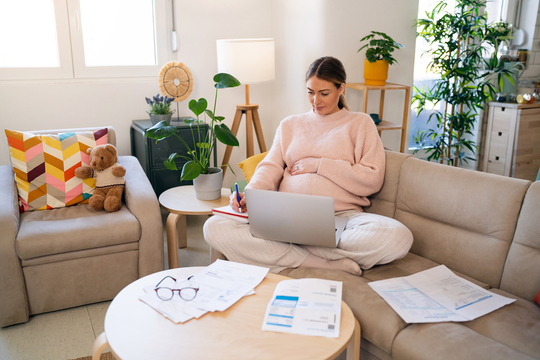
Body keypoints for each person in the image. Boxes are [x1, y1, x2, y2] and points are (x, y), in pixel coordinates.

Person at [204, 56, 413, 275]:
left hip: (341, 219)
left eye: (324, 93)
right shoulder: (290, 125)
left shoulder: (360, 124)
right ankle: (321, 261)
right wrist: (251, 195)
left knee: (398, 236)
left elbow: (372, 178)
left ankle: (290, 250)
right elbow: (270, 167)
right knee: (214, 227)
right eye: (310, 92)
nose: (316, 101)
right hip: (287, 216)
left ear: (341, 88)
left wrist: (319, 165)